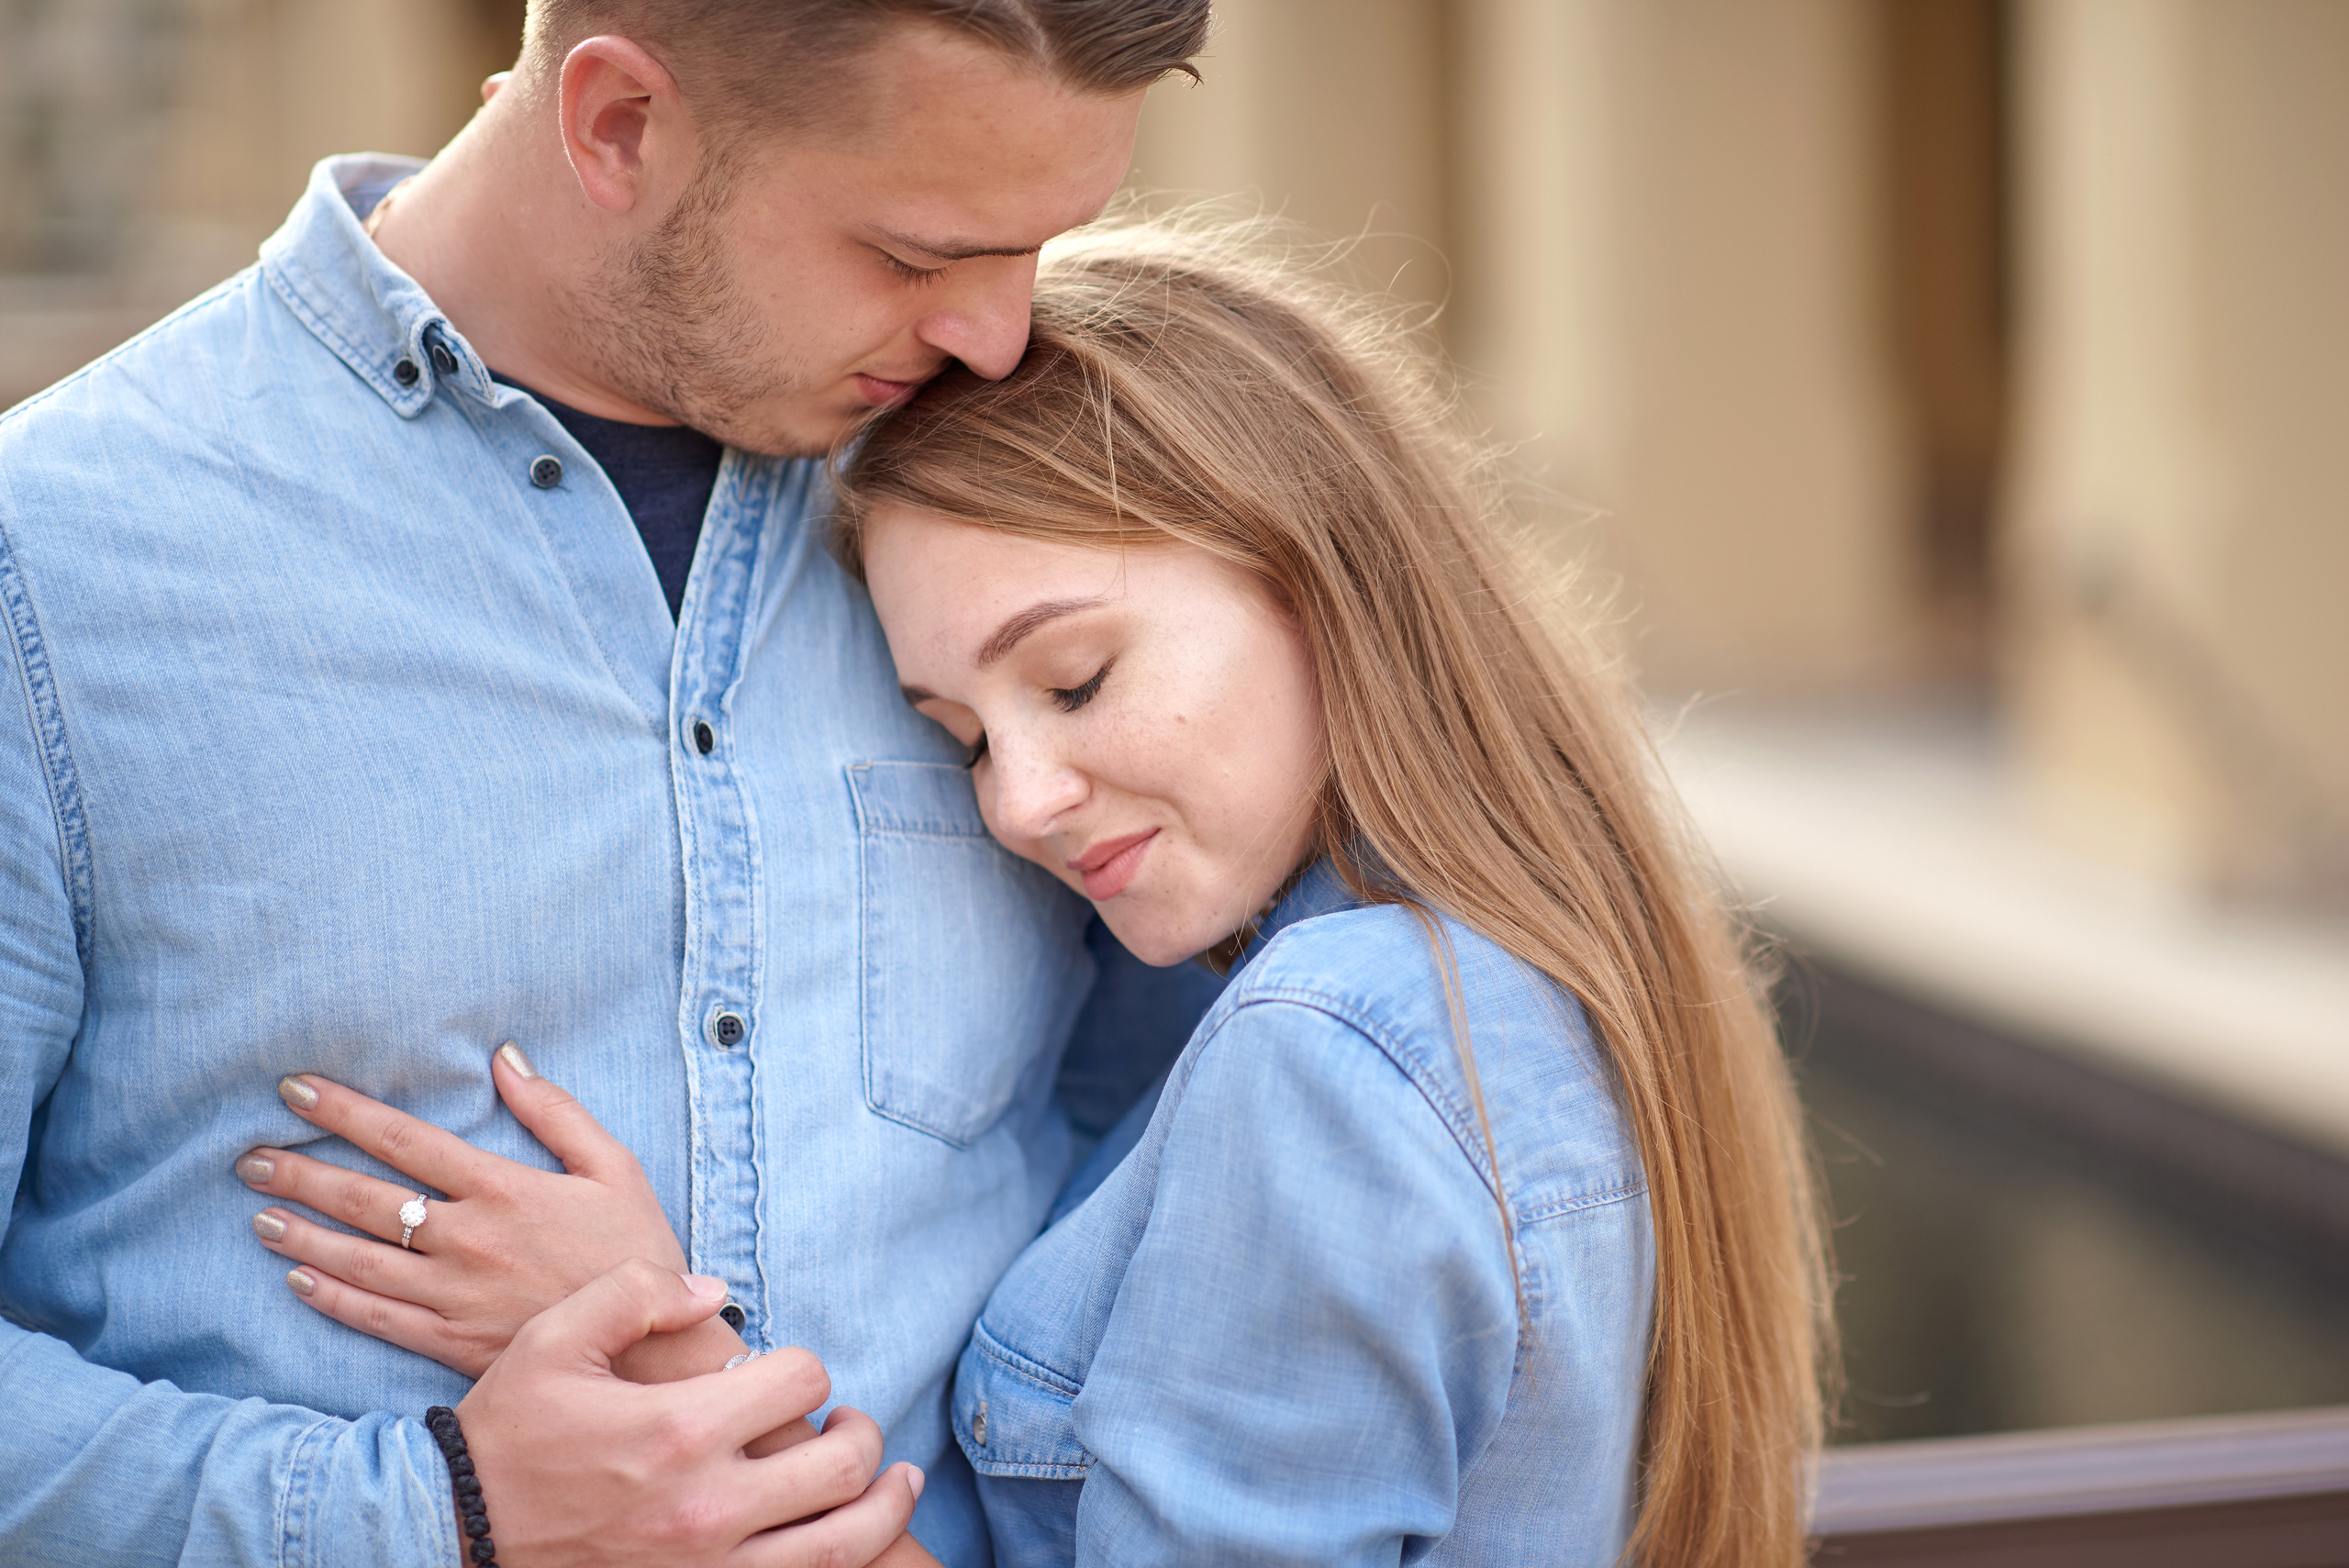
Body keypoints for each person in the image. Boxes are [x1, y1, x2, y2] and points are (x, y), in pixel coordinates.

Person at [252, 228, 1836, 1566]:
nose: (1019, 800)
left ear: (1323, 572)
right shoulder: (1531, 966)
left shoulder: (1332, 1052)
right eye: (962, 740)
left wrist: (660, 1347)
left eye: (1074, 678)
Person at [0, 4, 1215, 1565]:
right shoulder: (51, 569)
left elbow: (1177, 1173)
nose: (997, 337)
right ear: (619, 124)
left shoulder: (1044, 534)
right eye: (915, 257)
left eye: (1044, 245)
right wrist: (430, 1515)